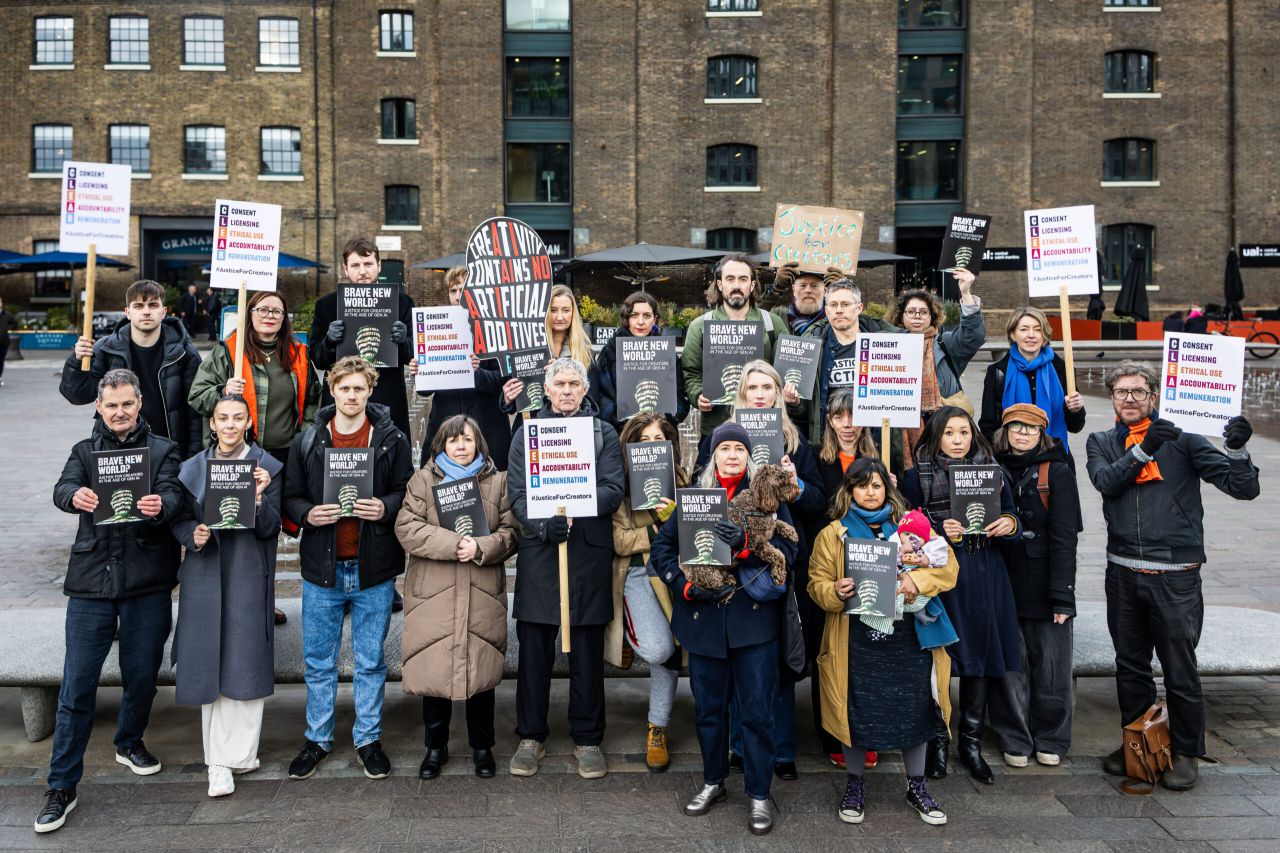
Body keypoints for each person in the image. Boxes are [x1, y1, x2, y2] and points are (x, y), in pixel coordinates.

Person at [1087, 361, 1259, 791]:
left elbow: (1243, 488)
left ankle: (1185, 751)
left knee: (1180, 669)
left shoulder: (1183, 439)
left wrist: (1235, 449)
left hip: (1176, 577)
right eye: (1121, 392)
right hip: (1123, 572)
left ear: (1154, 396)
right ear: (1111, 398)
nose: (1129, 398)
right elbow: (1106, 481)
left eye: (1138, 392)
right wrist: (1143, 449)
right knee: (1130, 667)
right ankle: (1139, 746)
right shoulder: (1102, 441)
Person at [36, 369, 183, 834]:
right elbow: (61, 489)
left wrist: (163, 504)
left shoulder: (163, 450)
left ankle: (129, 740)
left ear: (140, 405)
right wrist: (72, 496)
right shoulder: (85, 452)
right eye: (111, 405)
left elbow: (177, 494)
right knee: (76, 687)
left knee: (142, 677)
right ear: (98, 408)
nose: (120, 412)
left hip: (147, 582)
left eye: (127, 404)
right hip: (91, 585)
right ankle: (61, 786)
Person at [649, 422, 796, 835]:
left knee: (757, 713)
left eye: (739, 449)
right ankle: (714, 781)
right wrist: (687, 587)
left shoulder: (766, 499)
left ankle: (759, 793)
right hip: (705, 623)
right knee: (709, 712)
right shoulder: (695, 500)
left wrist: (746, 547)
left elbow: (790, 549)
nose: (732, 454)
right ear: (713, 455)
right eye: (725, 448)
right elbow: (661, 551)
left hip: (754, 627)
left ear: (748, 456)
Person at [282, 356, 413, 782]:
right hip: (323, 567)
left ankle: (367, 738)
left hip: (373, 566)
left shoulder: (390, 438)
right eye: (345, 388)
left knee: (370, 660)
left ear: (370, 391)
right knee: (318, 661)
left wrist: (386, 507)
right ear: (333, 391)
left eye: (359, 388)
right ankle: (317, 738)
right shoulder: (310, 439)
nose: (352, 396)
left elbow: (405, 492)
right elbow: (291, 496)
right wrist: (307, 514)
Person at [809, 457, 957, 826]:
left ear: (886, 489)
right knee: (856, 713)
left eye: (876, 485)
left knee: (914, 710)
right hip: (856, 640)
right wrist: (835, 591)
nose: (870, 492)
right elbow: (816, 584)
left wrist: (917, 582)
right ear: (850, 490)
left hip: (909, 638)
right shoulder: (833, 533)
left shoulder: (912, 526)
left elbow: (947, 566)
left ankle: (917, 786)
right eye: (862, 486)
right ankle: (855, 785)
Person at [505, 357, 625, 779]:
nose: (568, 390)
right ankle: (530, 736)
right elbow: (517, 496)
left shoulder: (603, 433)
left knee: (588, 654)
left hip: (588, 553)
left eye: (575, 383)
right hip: (541, 553)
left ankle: (588, 738)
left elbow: (613, 490)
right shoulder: (527, 435)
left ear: (585, 388)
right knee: (535, 650)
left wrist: (575, 502)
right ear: (548, 389)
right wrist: (544, 524)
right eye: (560, 383)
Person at [900, 406, 1022, 784]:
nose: (957, 440)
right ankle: (937, 741)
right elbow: (903, 528)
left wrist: (1009, 523)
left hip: (985, 572)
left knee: (982, 656)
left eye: (964, 433)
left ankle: (970, 743)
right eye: (950, 433)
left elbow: (1015, 518)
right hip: (940, 575)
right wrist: (936, 527)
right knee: (939, 659)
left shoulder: (994, 472)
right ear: (937, 436)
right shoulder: (915, 475)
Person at [170, 394, 283, 797]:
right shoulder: (192, 469)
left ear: (249, 422)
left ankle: (242, 753)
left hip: (247, 570)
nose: (231, 425)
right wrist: (192, 534)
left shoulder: (267, 468)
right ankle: (218, 761)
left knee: (245, 658)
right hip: (205, 570)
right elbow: (179, 519)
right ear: (212, 424)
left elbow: (273, 528)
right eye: (223, 418)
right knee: (209, 664)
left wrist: (260, 499)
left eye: (238, 418)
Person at [395, 415, 518, 781]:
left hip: (480, 590)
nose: (461, 446)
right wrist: (455, 545)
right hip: (435, 592)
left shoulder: (498, 483)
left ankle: (483, 748)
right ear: (441, 446)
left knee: (481, 673)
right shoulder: (423, 481)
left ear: (479, 444)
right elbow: (407, 527)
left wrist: (481, 546)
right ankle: (435, 747)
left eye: (467, 440)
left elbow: (512, 531)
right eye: (453, 441)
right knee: (435, 673)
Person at [726, 359, 827, 780]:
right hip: (735, 567)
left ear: (779, 393)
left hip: (782, 569)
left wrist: (796, 484)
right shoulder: (728, 442)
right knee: (738, 662)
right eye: (753, 387)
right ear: (743, 395)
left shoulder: (796, 444)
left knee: (781, 662)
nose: (761, 393)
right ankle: (737, 746)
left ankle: (783, 750)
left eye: (768, 386)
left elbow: (818, 501)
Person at [988, 403, 1081, 768]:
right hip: (1005, 585)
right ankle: (1014, 737)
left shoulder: (1056, 472)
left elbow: (1064, 536)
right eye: (1016, 427)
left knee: (1052, 670)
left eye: (1031, 428)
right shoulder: (989, 468)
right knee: (1011, 669)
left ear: (1042, 433)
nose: (1023, 433)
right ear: (1005, 431)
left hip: (1046, 587)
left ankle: (1052, 738)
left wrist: (1063, 596)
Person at [607, 413, 689, 772]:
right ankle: (631, 631)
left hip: (677, 572)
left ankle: (658, 726)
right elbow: (619, 541)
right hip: (638, 572)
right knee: (659, 647)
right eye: (644, 441)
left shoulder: (683, 480)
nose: (652, 447)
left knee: (676, 650)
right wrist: (661, 529)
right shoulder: (621, 488)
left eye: (659, 440)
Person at [61, 279, 203, 458]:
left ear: (163, 311)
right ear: (128, 312)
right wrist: (76, 361)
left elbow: (195, 412)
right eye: (138, 306)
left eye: (152, 305)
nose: (146, 312)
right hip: (118, 450)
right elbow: (77, 395)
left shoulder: (184, 352)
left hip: (169, 451)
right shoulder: (106, 349)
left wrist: (193, 458)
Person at [189, 289, 319, 466]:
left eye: (277, 311)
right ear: (250, 313)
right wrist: (224, 391)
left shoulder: (298, 354)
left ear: (284, 318)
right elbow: (197, 396)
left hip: (288, 455)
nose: (270, 316)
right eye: (263, 310)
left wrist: (303, 436)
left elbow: (314, 399)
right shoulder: (227, 351)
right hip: (238, 453)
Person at [681, 253, 780, 468]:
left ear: (753, 285)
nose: (737, 285)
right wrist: (697, 395)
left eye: (743, 279)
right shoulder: (700, 326)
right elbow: (690, 372)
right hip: (717, 428)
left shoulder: (772, 324)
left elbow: (781, 372)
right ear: (719, 284)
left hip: (763, 428)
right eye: (730, 279)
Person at [310, 238, 415, 437]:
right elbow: (317, 358)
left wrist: (404, 341)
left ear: (379, 265)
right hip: (341, 399)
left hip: (388, 394)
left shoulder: (402, 303)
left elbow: (414, 356)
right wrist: (329, 341)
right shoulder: (327, 305)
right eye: (355, 265)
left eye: (368, 264)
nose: (362, 271)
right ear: (345, 268)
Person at [416, 266, 516, 470]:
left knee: (490, 491)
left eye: (463, 289)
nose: (457, 296)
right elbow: (425, 391)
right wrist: (420, 370)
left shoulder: (497, 331)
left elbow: (505, 380)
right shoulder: (436, 328)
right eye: (453, 291)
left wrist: (477, 373)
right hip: (446, 421)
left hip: (486, 425)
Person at [885, 271, 983, 468]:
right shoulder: (886, 346)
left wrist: (965, 293)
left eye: (924, 312)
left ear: (932, 316)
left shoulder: (945, 344)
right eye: (911, 311)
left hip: (943, 429)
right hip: (901, 431)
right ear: (900, 315)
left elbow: (972, 336)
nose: (917, 317)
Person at [978, 307, 1086, 468]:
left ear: (1044, 336)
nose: (1031, 335)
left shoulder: (1061, 368)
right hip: (1012, 464)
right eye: (1024, 329)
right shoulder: (998, 372)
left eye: (1037, 330)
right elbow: (988, 426)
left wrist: (1075, 409)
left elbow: (1075, 426)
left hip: (1054, 462)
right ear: (1013, 335)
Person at [589, 290, 690, 434]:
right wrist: (621, 416)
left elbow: (680, 397)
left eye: (647, 315)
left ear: (654, 319)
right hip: (620, 434)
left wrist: (663, 418)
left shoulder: (666, 353)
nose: (641, 321)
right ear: (626, 318)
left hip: (660, 433)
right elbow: (600, 397)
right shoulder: (611, 351)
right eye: (634, 315)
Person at [0, 295, 11, 387]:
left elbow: (15, 323)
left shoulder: (6, 315)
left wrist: (7, 328)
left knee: (1, 361)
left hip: (3, 342)